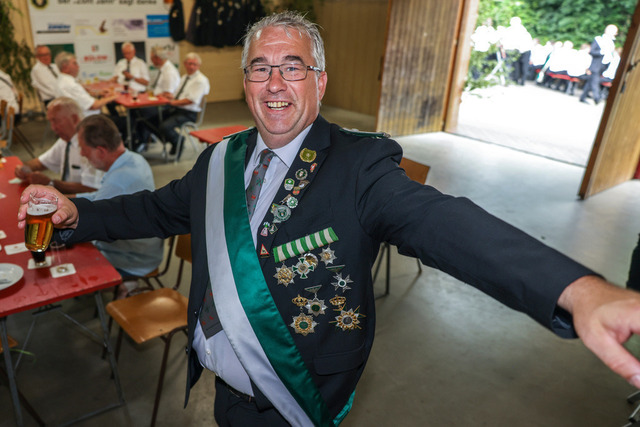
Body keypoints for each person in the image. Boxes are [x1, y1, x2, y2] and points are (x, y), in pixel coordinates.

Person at [17, 11, 640, 427]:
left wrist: (575, 290)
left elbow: (441, 222)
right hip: (223, 392)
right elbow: (154, 208)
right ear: (246, 81)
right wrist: (77, 214)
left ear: (319, 81)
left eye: (293, 67)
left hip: (297, 390)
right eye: (261, 68)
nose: (275, 82)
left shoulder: (360, 165)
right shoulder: (220, 159)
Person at [74, 114, 164, 297]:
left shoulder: (118, 181)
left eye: (84, 149)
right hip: (146, 248)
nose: (82, 154)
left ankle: (125, 285)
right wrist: (70, 200)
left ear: (101, 151)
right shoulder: (134, 159)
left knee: (68, 257)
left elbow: (91, 223)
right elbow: (99, 198)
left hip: (133, 258)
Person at [14, 97, 102, 194]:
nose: (53, 128)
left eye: (56, 121)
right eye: (50, 122)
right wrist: (23, 168)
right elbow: (41, 163)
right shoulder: (65, 140)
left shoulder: (92, 145)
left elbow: (93, 190)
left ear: (74, 119)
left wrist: (51, 183)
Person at [138, 52, 210, 156]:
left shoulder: (201, 80)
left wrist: (172, 103)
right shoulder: (185, 77)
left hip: (188, 113)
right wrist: (167, 96)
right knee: (149, 119)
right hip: (177, 109)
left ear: (199, 66)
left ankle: (178, 140)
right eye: (189, 63)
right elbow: (177, 94)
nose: (191, 67)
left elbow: (190, 101)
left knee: (164, 126)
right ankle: (170, 139)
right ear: (185, 64)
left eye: (194, 64)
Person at [133, 45, 181, 152]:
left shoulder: (169, 72)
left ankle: (163, 137)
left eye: (151, 58)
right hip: (159, 102)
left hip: (167, 106)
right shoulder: (163, 69)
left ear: (157, 58)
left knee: (141, 113)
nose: (151, 61)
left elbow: (168, 95)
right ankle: (143, 138)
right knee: (136, 111)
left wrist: (153, 97)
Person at [55, 51, 117, 116]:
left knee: (114, 115)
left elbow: (79, 98)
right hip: (89, 118)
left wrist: (98, 93)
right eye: (75, 63)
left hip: (78, 116)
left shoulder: (62, 80)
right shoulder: (71, 84)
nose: (78, 66)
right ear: (65, 67)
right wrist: (114, 96)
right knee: (120, 120)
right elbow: (94, 106)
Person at [580, 24, 618, 105]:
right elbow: (592, 51)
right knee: (595, 81)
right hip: (595, 64)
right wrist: (602, 52)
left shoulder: (611, 43)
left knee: (591, 81)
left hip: (604, 65)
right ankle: (597, 98)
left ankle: (582, 97)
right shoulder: (598, 39)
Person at [499, 17, 533, 85]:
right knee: (515, 66)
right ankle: (513, 79)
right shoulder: (520, 30)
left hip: (519, 51)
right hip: (516, 50)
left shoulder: (521, 30)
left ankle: (516, 80)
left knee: (516, 66)